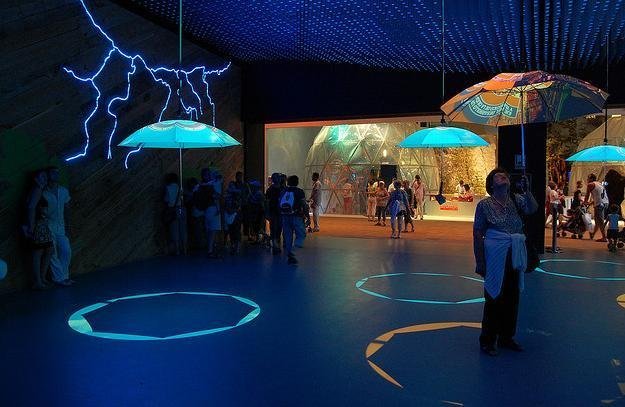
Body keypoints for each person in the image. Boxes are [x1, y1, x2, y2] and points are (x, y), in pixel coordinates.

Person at [473, 168, 538, 356]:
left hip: (514, 253)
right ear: (491, 184)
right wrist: (480, 261)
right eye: (498, 176)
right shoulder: (484, 205)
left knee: (512, 296)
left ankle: (506, 337)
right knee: (494, 296)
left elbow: (533, 208)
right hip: (495, 254)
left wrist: (527, 190)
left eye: (505, 176)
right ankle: (487, 340)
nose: (504, 177)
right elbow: (478, 233)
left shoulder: (516, 200)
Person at [42, 167, 73, 286]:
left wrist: (68, 225)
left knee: (66, 250)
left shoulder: (63, 191)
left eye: (57, 172)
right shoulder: (43, 192)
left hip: (61, 225)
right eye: (53, 172)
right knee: (52, 254)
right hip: (47, 225)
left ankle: (64, 276)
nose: (56, 174)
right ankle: (59, 278)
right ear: (48, 175)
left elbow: (67, 209)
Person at [280, 175, 307, 265]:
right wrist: (306, 215)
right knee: (301, 234)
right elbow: (304, 204)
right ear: (297, 182)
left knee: (288, 236)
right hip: (296, 216)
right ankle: (293, 251)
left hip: (285, 216)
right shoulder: (299, 191)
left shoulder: (284, 191)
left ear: (288, 182)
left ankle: (290, 255)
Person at [164, 173, 187, 255]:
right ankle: (185, 249)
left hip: (173, 210)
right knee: (183, 228)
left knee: (174, 229)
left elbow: (166, 200)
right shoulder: (180, 188)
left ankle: (177, 250)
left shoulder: (167, 188)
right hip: (181, 209)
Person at [585, 173, 609, 242]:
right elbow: (599, 195)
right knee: (597, 220)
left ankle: (604, 237)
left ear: (591, 179)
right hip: (605, 202)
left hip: (599, 204)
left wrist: (585, 202)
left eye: (588, 178)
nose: (587, 179)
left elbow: (587, 196)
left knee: (600, 221)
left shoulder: (590, 185)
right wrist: (591, 203)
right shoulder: (599, 184)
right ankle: (593, 234)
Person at [266, 173, 284, 254]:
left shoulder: (271, 189)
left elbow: (267, 202)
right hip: (275, 211)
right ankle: (275, 244)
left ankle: (276, 244)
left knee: (278, 228)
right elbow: (267, 202)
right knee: (274, 228)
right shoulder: (272, 189)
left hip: (278, 211)